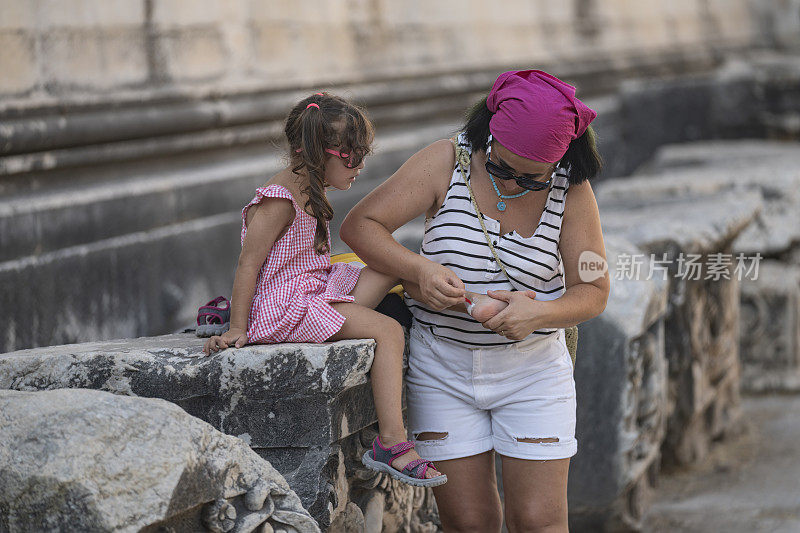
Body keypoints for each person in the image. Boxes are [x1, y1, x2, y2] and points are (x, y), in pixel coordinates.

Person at [341, 70, 610, 531]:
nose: (510, 183)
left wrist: (540, 312)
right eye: (500, 166)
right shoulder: (446, 161)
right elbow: (361, 225)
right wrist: (419, 270)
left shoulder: (572, 191)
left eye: (530, 178)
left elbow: (595, 290)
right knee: (469, 523)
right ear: (487, 135)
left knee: (538, 520)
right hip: (441, 368)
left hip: (533, 371)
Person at [202, 92, 446, 487]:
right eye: (351, 157)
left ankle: (453, 318)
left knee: (392, 265)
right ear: (317, 153)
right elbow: (249, 263)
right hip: (289, 307)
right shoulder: (280, 200)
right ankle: (393, 443)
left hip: (313, 287)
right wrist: (237, 327)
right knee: (388, 331)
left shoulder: (312, 188)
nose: (361, 166)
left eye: (362, 154)